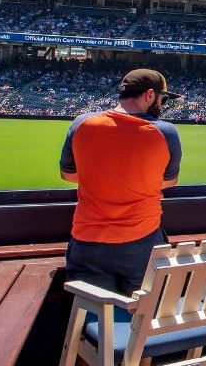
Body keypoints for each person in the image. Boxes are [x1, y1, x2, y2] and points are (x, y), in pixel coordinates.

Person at [60, 68, 183, 295]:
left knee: (93, 314)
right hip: (141, 241)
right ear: (149, 95)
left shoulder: (81, 123)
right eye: (162, 98)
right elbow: (167, 182)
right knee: (144, 313)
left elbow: (68, 174)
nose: (162, 105)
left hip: (87, 240)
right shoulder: (166, 132)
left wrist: (105, 180)